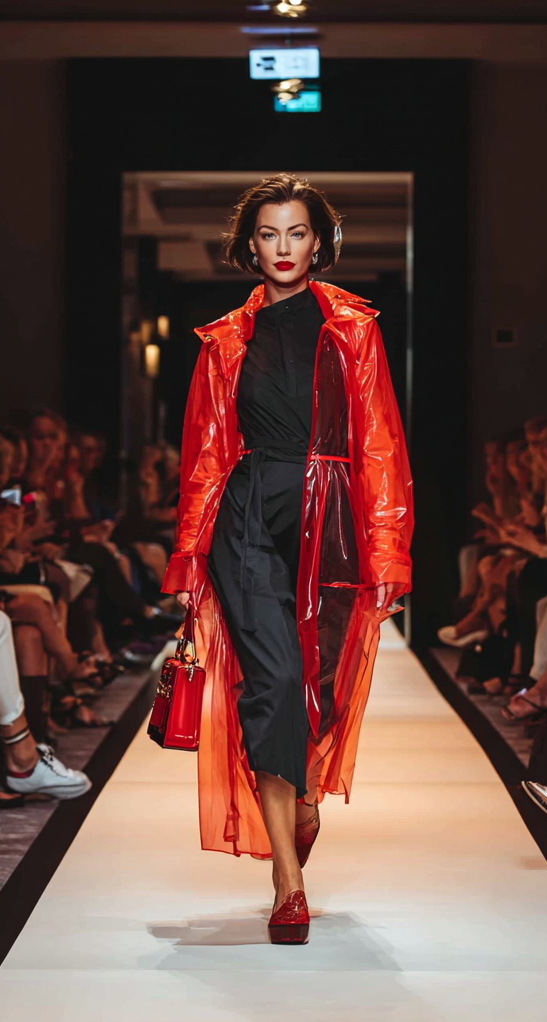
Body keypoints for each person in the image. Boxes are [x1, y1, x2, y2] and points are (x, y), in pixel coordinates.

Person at [163, 174, 413, 945]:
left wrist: (389, 555)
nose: (282, 247)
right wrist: (189, 555)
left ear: (318, 242)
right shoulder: (223, 341)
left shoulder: (353, 329)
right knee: (271, 686)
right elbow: (205, 455)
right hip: (246, 516)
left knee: (320, 694)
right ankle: (287, 881)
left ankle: (302, 797)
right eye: (268, 234)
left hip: (330, 516)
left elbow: (380, 443)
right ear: (250, 245)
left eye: (296, 233)